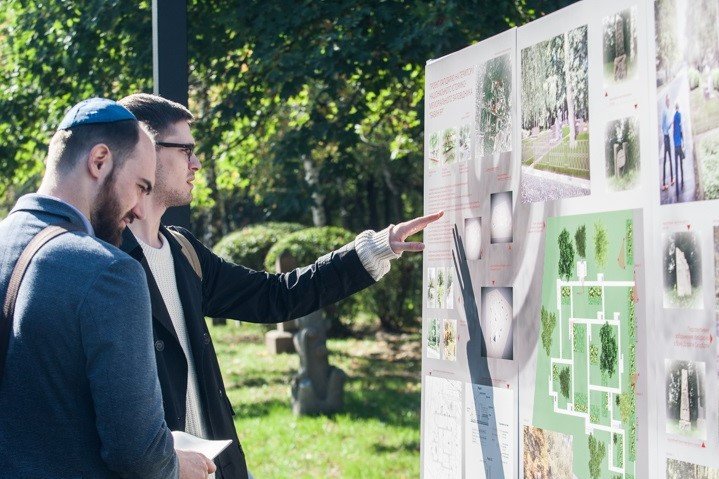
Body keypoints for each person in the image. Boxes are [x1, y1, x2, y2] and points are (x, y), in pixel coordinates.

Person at [118, 93, 442, 479]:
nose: (197, 162)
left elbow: (276, 296)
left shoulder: (183, 251)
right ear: (145, 150)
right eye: (185, 150)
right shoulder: (104, 264)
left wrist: (374, 249)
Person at [0, 98, 215, 478]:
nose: (138, 209)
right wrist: (176, 464)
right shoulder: (109, 272)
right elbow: (139, 455)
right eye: (140, 187)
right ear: (99, 161)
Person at [661, 94, 674, 191]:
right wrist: (671, 123)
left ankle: (668, 181)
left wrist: (665, 130)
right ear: (666, 102)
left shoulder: (665, 111)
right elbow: (665, 125)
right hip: (666, 138)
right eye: (668, 101)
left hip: (666, 137)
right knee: (667, 159)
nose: (669, 102)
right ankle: (666, 183)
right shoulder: (665, 111)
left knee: (667, 159)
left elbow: (663, 126)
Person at [673, 101, 685, 191]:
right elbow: (681, 130)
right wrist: (683, 142)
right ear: (679, 107)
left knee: (676, 165)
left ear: (675, 108)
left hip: (675, 145)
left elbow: (674, 132)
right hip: (680, 145)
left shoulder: (674, 117)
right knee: (681, 164)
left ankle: (677, 183)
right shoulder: (680, 115)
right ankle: (682, 182)